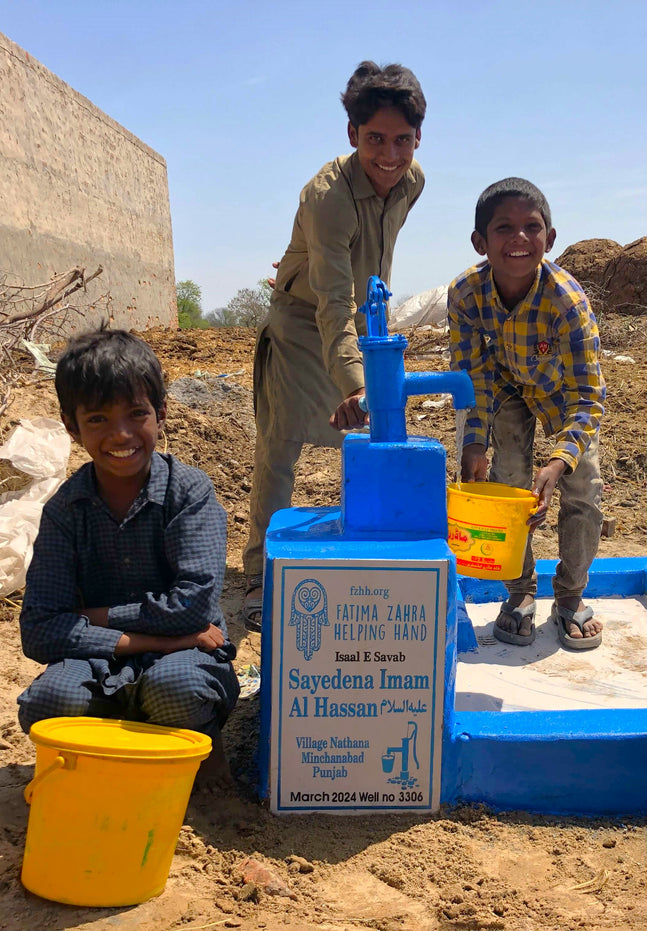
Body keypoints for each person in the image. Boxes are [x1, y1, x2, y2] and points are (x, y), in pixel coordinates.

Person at [243, 61, 427, 631]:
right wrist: (357, 382)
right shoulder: (327, 198)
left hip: (359, 314)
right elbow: (330, 302)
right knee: (282, 444)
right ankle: (260, 573)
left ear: (418, 139)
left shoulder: (413, 182)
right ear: (352, 134)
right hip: (303, 319)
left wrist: (372, 345)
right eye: (375, 140)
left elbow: (372, 265)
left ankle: (372, 548)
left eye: (402, 140)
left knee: (377, 429)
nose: (390, 156)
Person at [17, 328, 239, 784]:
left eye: (136, 413)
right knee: (47, 704)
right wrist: (161, 640)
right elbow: (39, 631)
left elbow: (193, 609)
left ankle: (196, 760)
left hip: (185, 660)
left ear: (161, 413)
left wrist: (91, 617)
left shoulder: (188, 493)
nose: (120, 434)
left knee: (175, 689)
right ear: (71, 426)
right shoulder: (65, 510)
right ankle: (110, 759)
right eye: (98, 418)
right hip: (107, 660)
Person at [448, 178, 606, 649]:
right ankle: (519, 591)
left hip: (562, 392)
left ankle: (570, 595)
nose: (519, 238)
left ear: (549, 238)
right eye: (504, 228)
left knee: (583, 486)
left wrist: (558, 463)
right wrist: (474, 442)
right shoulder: (466, 294)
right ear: (480, 241)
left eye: (531, 227)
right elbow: (472, 377)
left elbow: (588, 397)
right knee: (509, 482)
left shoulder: (567, 301)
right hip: (505, 388)